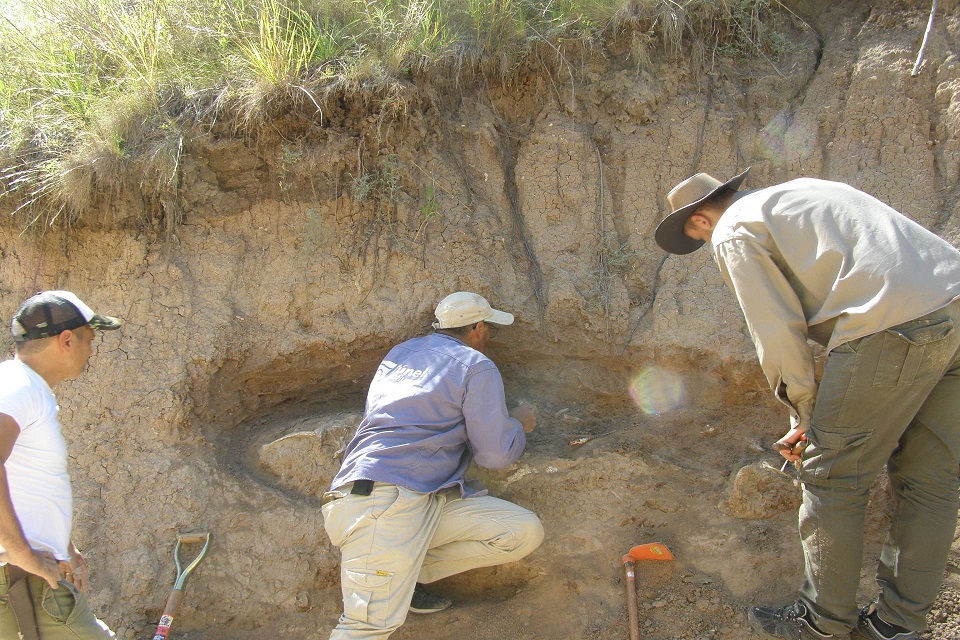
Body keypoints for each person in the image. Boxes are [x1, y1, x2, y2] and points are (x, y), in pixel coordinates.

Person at [654, 169, 960, 640]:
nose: (705, 241)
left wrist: (804, 414)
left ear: (700, 220)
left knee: (832, 475)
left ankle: (822, 622)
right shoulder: (806, 191)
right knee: (932, 482)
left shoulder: (733, 229)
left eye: (698, 236)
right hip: (953, 304)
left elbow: (777, 332)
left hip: (891, 325)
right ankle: (897, 626)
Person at [321, 291, 544, 639]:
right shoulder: (476, 365)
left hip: (407, 498)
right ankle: (392, 572)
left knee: (520, 531)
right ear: (478, 328)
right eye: (489, 329)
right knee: (364, 629)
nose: (488, 336)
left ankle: (404, 575)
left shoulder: (401, 353)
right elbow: (495, 455)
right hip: (385, 505)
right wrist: (517, 423)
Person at [0, 290, 123, 640]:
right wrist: (22, 553)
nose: (91, 350)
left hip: (26, 575)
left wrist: (63, 544)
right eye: (89, 339)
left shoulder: (23, 386)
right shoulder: (17, 386)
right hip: (20, 578)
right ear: (66, 340)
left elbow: (27, 481)